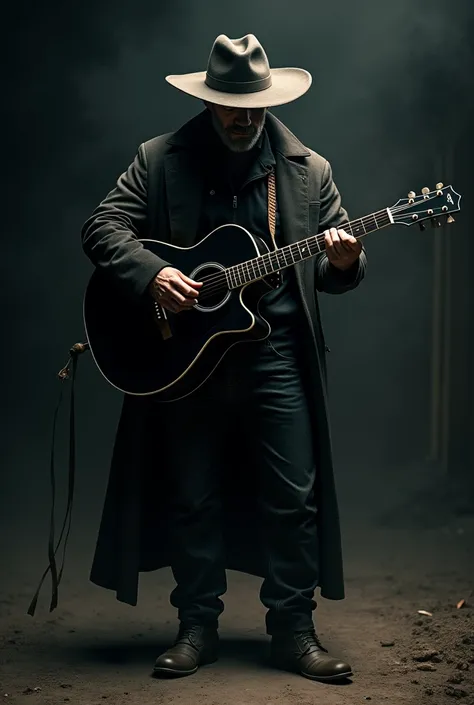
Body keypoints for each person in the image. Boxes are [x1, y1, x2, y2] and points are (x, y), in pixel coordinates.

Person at [81, 33, 366, 683]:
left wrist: (345, 261)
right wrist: (152, 274)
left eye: (254, 106)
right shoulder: (159, 160)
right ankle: (196, 627)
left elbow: (333, 263)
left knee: (294, 500)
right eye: (231, 106)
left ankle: (293, 630)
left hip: (276, 358)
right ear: (209, 102)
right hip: (186, 361)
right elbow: (102, 228)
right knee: (192, 495)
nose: (244, 118)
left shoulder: (308, 169)